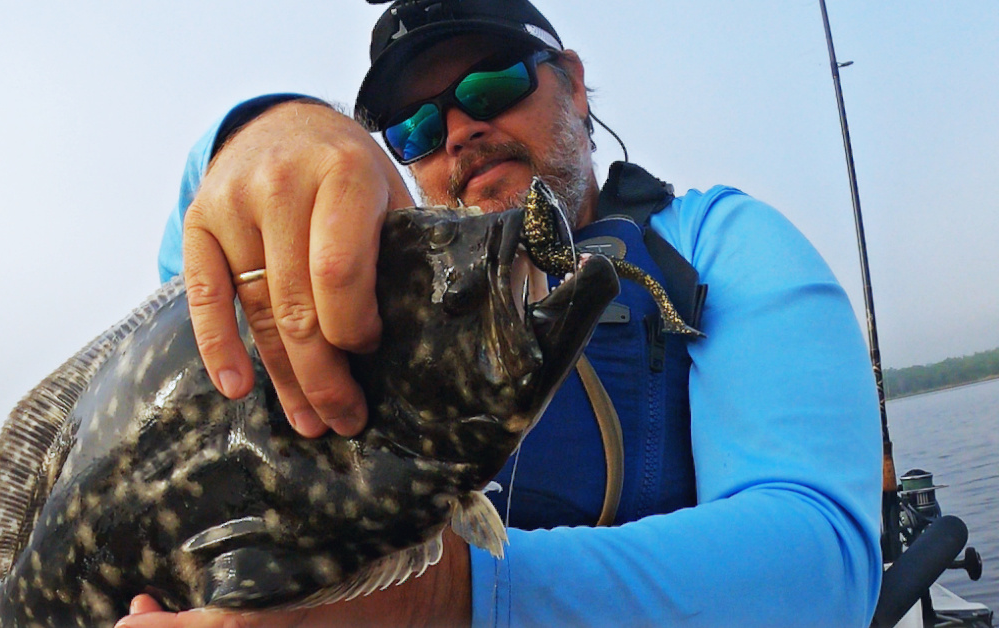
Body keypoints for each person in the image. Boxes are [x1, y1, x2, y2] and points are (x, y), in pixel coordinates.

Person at [116, 1, 883, 626]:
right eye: (414, 128)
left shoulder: (715, 244)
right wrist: (262, 134)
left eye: (491, 87)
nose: (459, 132)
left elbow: (821, 562)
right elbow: (200, 281)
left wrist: (449, 599)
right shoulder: (336, 290)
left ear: (575, 86)